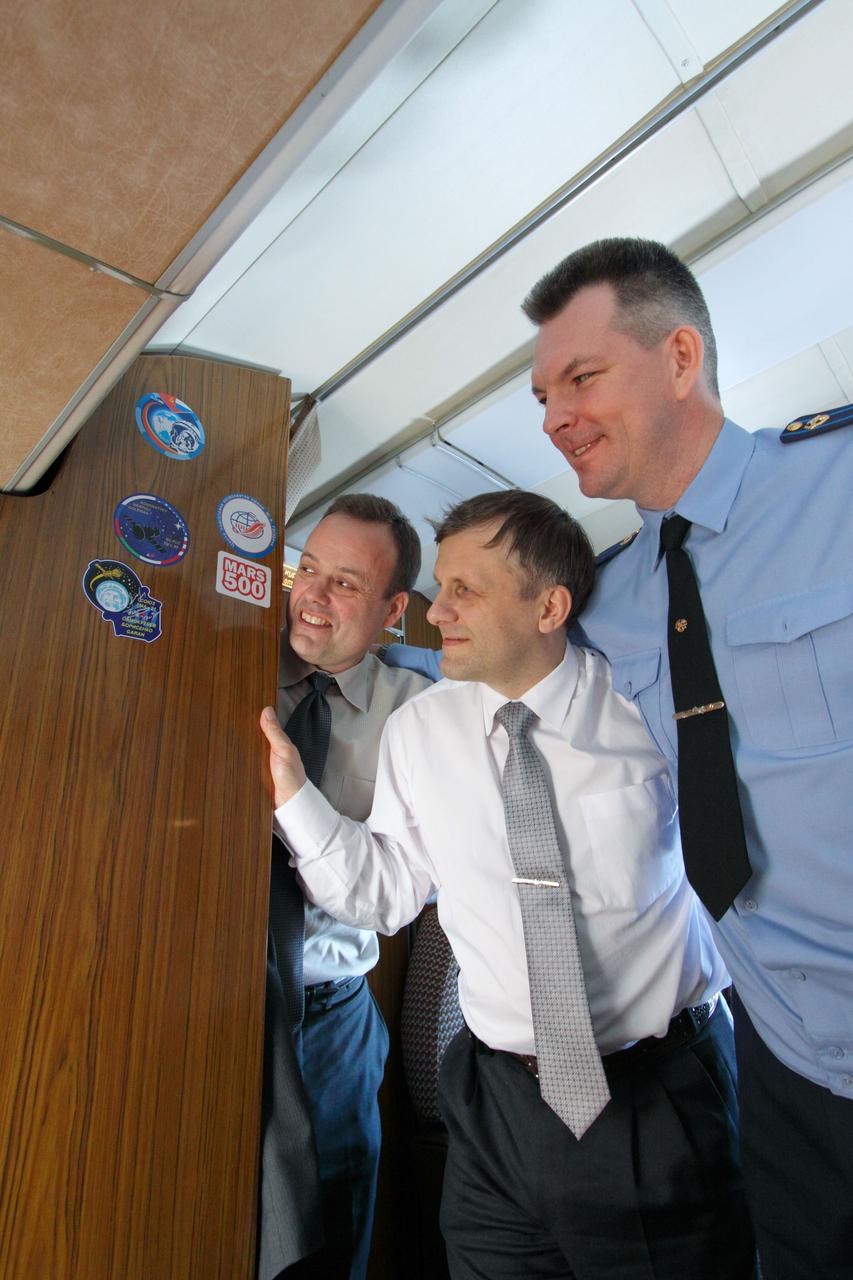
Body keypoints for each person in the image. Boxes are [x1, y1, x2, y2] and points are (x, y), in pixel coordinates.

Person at [260, 490, 754, 1280]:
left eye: (465, 590)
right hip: (495, 1103)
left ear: (548, 607)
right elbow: (384, 894)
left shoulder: (642, 704)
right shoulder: (420, 730)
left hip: (654, 1089)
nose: (436, 613)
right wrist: (292, 793)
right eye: (440, 587)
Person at [522, 236, 853, 1280]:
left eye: (581, 377)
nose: (554, 417)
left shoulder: (839, 482)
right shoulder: (606, 600)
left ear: (678, 358)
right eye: (541, 396)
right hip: (783, 1060)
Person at [260, 493, 429, 1280]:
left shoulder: (418, 718)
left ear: (393, 610)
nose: (313, 596)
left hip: (328, 1009)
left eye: (345, 584)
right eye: (308, 569)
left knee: (329, 1234)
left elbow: (395, 892)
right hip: (214, 1003)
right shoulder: (225, 660)